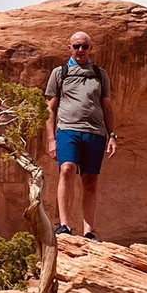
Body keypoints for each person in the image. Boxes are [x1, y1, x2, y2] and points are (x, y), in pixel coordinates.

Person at [44, 31, 117, 240]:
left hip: (95, 132)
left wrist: (112, 135)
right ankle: (64, 225)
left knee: (90, 179)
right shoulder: (60, 72)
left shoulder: (99, 74)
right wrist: (51, 139)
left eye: (85, 46)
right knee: (67, 169)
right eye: (76, 46)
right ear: (70, 48)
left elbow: (107, 107)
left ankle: (89, 232)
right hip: (68, 129)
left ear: (90, 48)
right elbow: (50, 108)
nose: (80, 50)